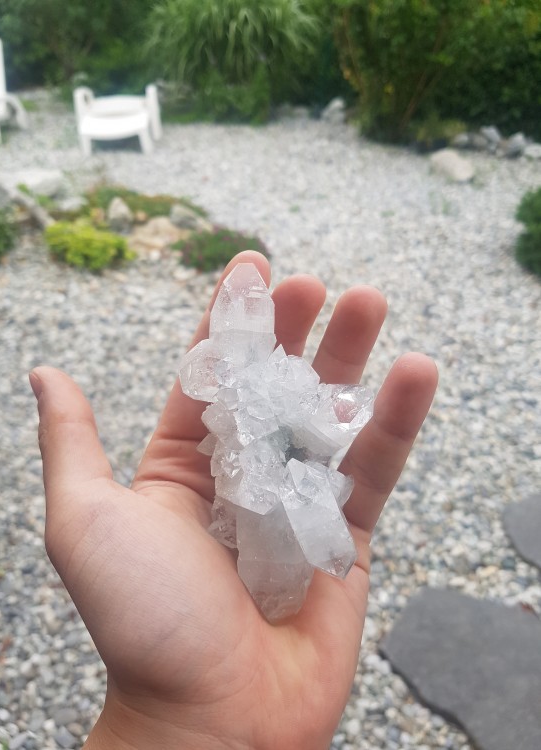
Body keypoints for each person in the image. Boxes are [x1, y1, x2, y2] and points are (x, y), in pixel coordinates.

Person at [29, 251, 438, 750]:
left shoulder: (281, 414)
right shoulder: (233, 390)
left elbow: (333, 418)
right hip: (269, 521)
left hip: (285, 516)